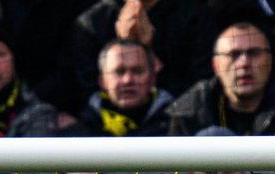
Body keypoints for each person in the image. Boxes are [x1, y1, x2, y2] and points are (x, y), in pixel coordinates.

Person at [53, 0, 213, 117]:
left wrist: (147, 54)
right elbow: (81, 94)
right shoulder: (90, 24)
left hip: (174, 125)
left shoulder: (193, 17)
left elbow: (201, 91)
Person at [166, 20, 275, 137]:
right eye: (234, 55)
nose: (244, 63)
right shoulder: (188, 114)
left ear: (269, 61)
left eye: (254, 53)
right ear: (216, 65)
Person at [66, 37, 173, 137]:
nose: (128, 80)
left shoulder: (179, 128)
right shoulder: (75, 135)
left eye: (137, 71)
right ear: (102, 81)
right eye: (119, 72)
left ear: (153, 79)